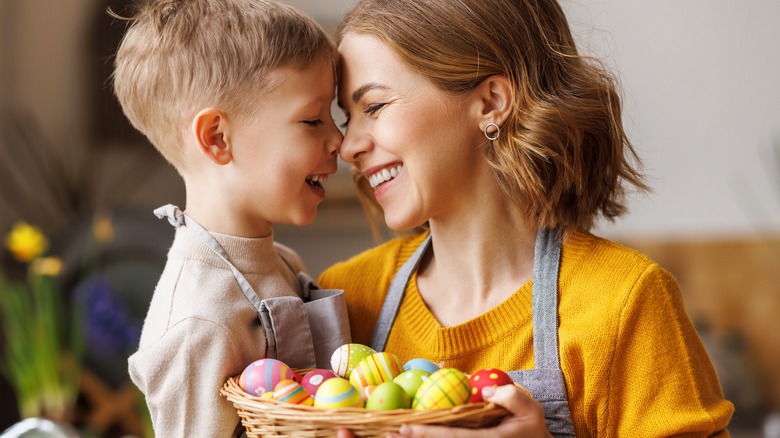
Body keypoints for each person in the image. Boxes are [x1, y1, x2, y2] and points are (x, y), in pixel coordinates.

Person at [320, 0, 734, 436]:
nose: (348, 147)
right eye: (348, 118)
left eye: (375, 107)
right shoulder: (347, 298)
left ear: (491, 102)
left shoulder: (623, 304)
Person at [112, 0, 349, 436]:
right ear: (217, 138)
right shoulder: (198, 320)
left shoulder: (284, 262)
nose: (338, 139)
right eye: (313, 119)